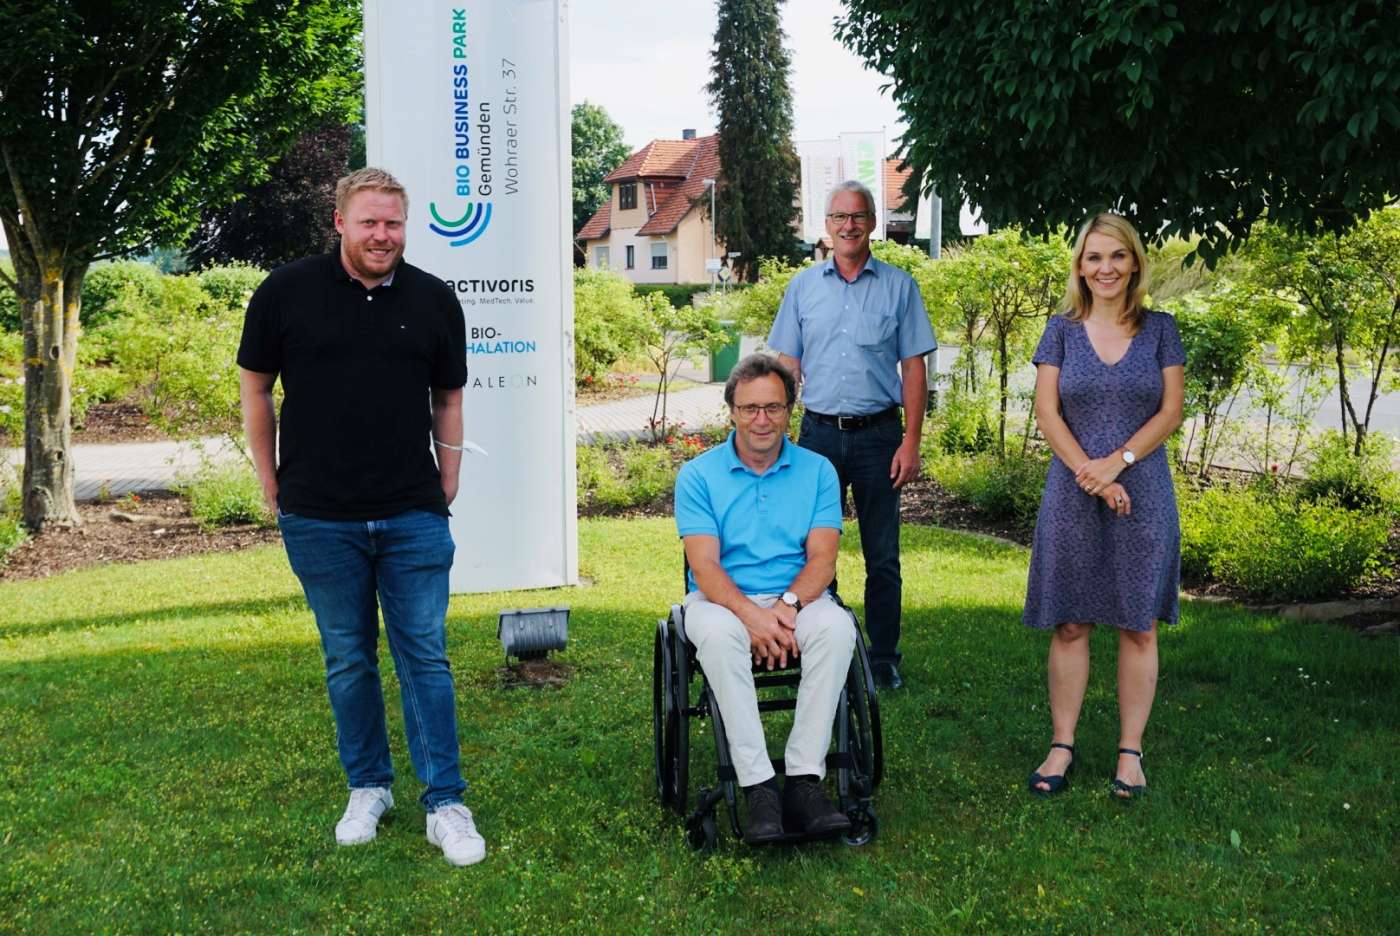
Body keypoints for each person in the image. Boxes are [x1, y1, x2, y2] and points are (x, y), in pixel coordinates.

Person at [237, 167, 486, 865]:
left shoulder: (434, 299)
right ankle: (369, 786)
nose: (382, 235)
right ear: (340, 222)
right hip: (320, 516)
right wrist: (269, 478)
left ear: (406, 227)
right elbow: (255, 389)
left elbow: (448, 397)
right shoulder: (285, 292)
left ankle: (445, 802)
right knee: (348, 658)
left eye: (393, 223)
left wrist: (449, 477)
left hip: (412, 514)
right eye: (369, 222)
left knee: (424, 657)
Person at [1023, 212, 1185, 801]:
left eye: (1117, 255)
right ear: (1080, 266)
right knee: (1071, 621)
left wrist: (1119, 463)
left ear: (1135, 262)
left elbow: (1170, 411)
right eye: (1094, 257)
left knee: (1138, 624)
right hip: (1072, 492)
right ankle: (1062, 745)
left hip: (1143, 493)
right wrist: (1092, 476)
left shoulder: (1161, 329)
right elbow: (1047, 414)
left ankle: (1129, 753)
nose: (1105, 268)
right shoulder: (1060, 331)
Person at [674, 353, 857, 844]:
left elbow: (823, 559)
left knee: (837, 630)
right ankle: (758, 787)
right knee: (717, 638)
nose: (762, 419)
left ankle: (803, 781)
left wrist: (785, 608)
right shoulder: (698, 475)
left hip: (797, 597)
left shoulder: (818, 472)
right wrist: (752, 616)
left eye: (773, 408)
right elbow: (704, 567)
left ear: (789, 411)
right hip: (720, 601)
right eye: (750, 408)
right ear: (732, 411)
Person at [767, 180, 937, 690]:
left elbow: (914, 367)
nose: (849, 225)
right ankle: (829, 652)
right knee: (817, 552)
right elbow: (788, 363)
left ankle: (883, 659)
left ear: (872, 224)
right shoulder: (803, 287)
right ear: (827, 225)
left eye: (858, 216)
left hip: (879, 437)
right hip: (817, 436)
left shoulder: (899, 287)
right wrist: (777, 432)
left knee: (882, 556)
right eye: (839, 217)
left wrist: (911, 441)